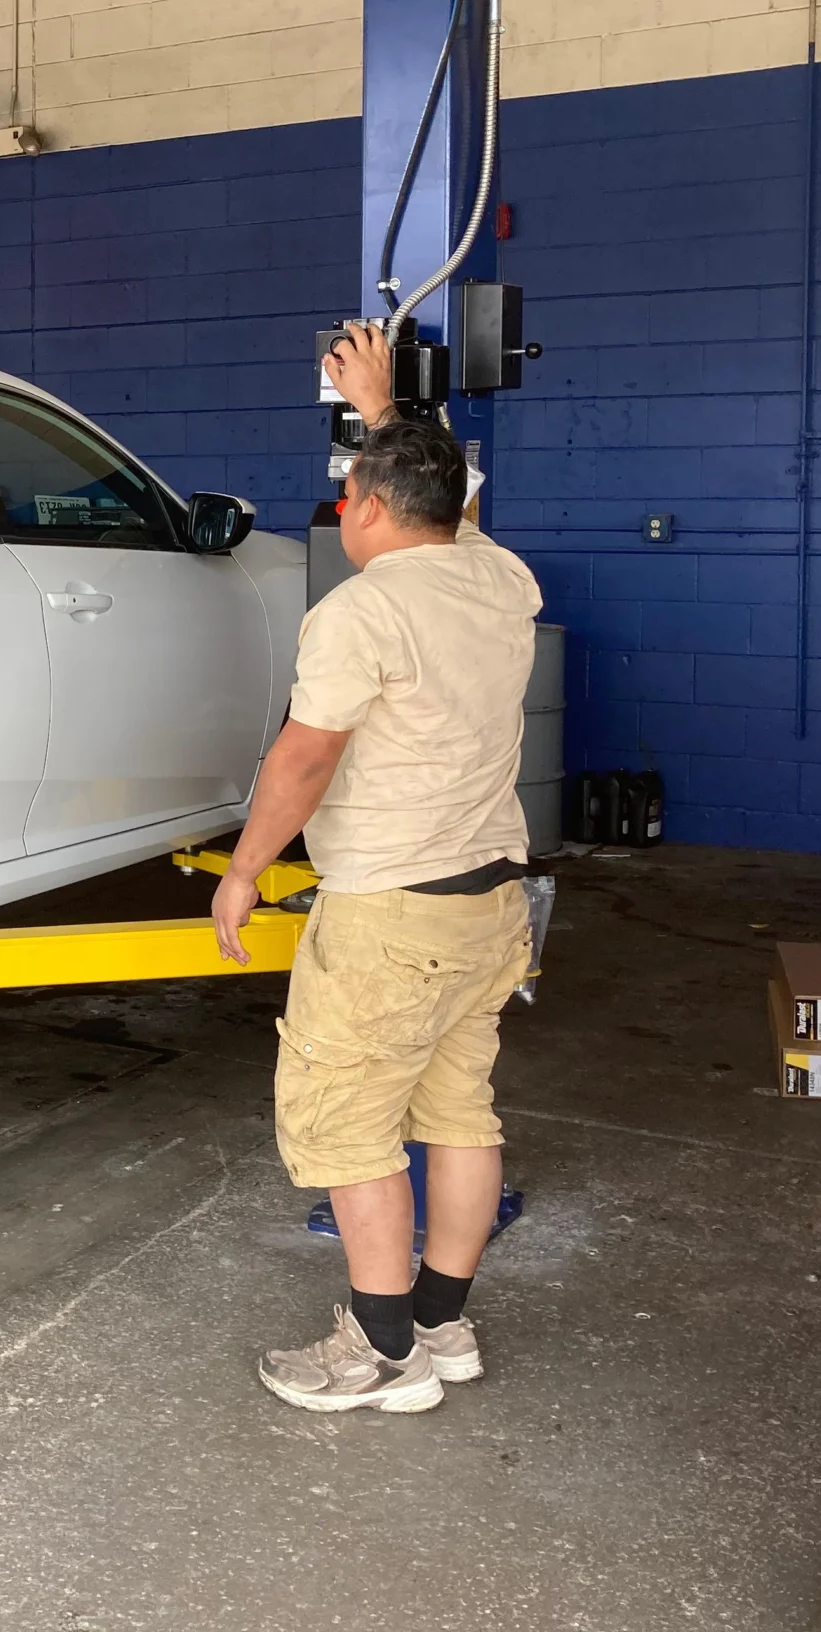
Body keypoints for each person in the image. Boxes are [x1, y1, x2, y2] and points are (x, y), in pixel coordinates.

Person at [211, 320, 543, 1414]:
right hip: (488, 904)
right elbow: (454, 501)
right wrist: (386, 409)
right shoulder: (497, 580)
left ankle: (381, 1347)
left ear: (362, 508)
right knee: (458, 1114)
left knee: (348, 1120)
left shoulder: (358, 610)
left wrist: (245, 867)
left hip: (388, 916)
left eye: (348, 492)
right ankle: (441, 1327)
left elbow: (304, 758)